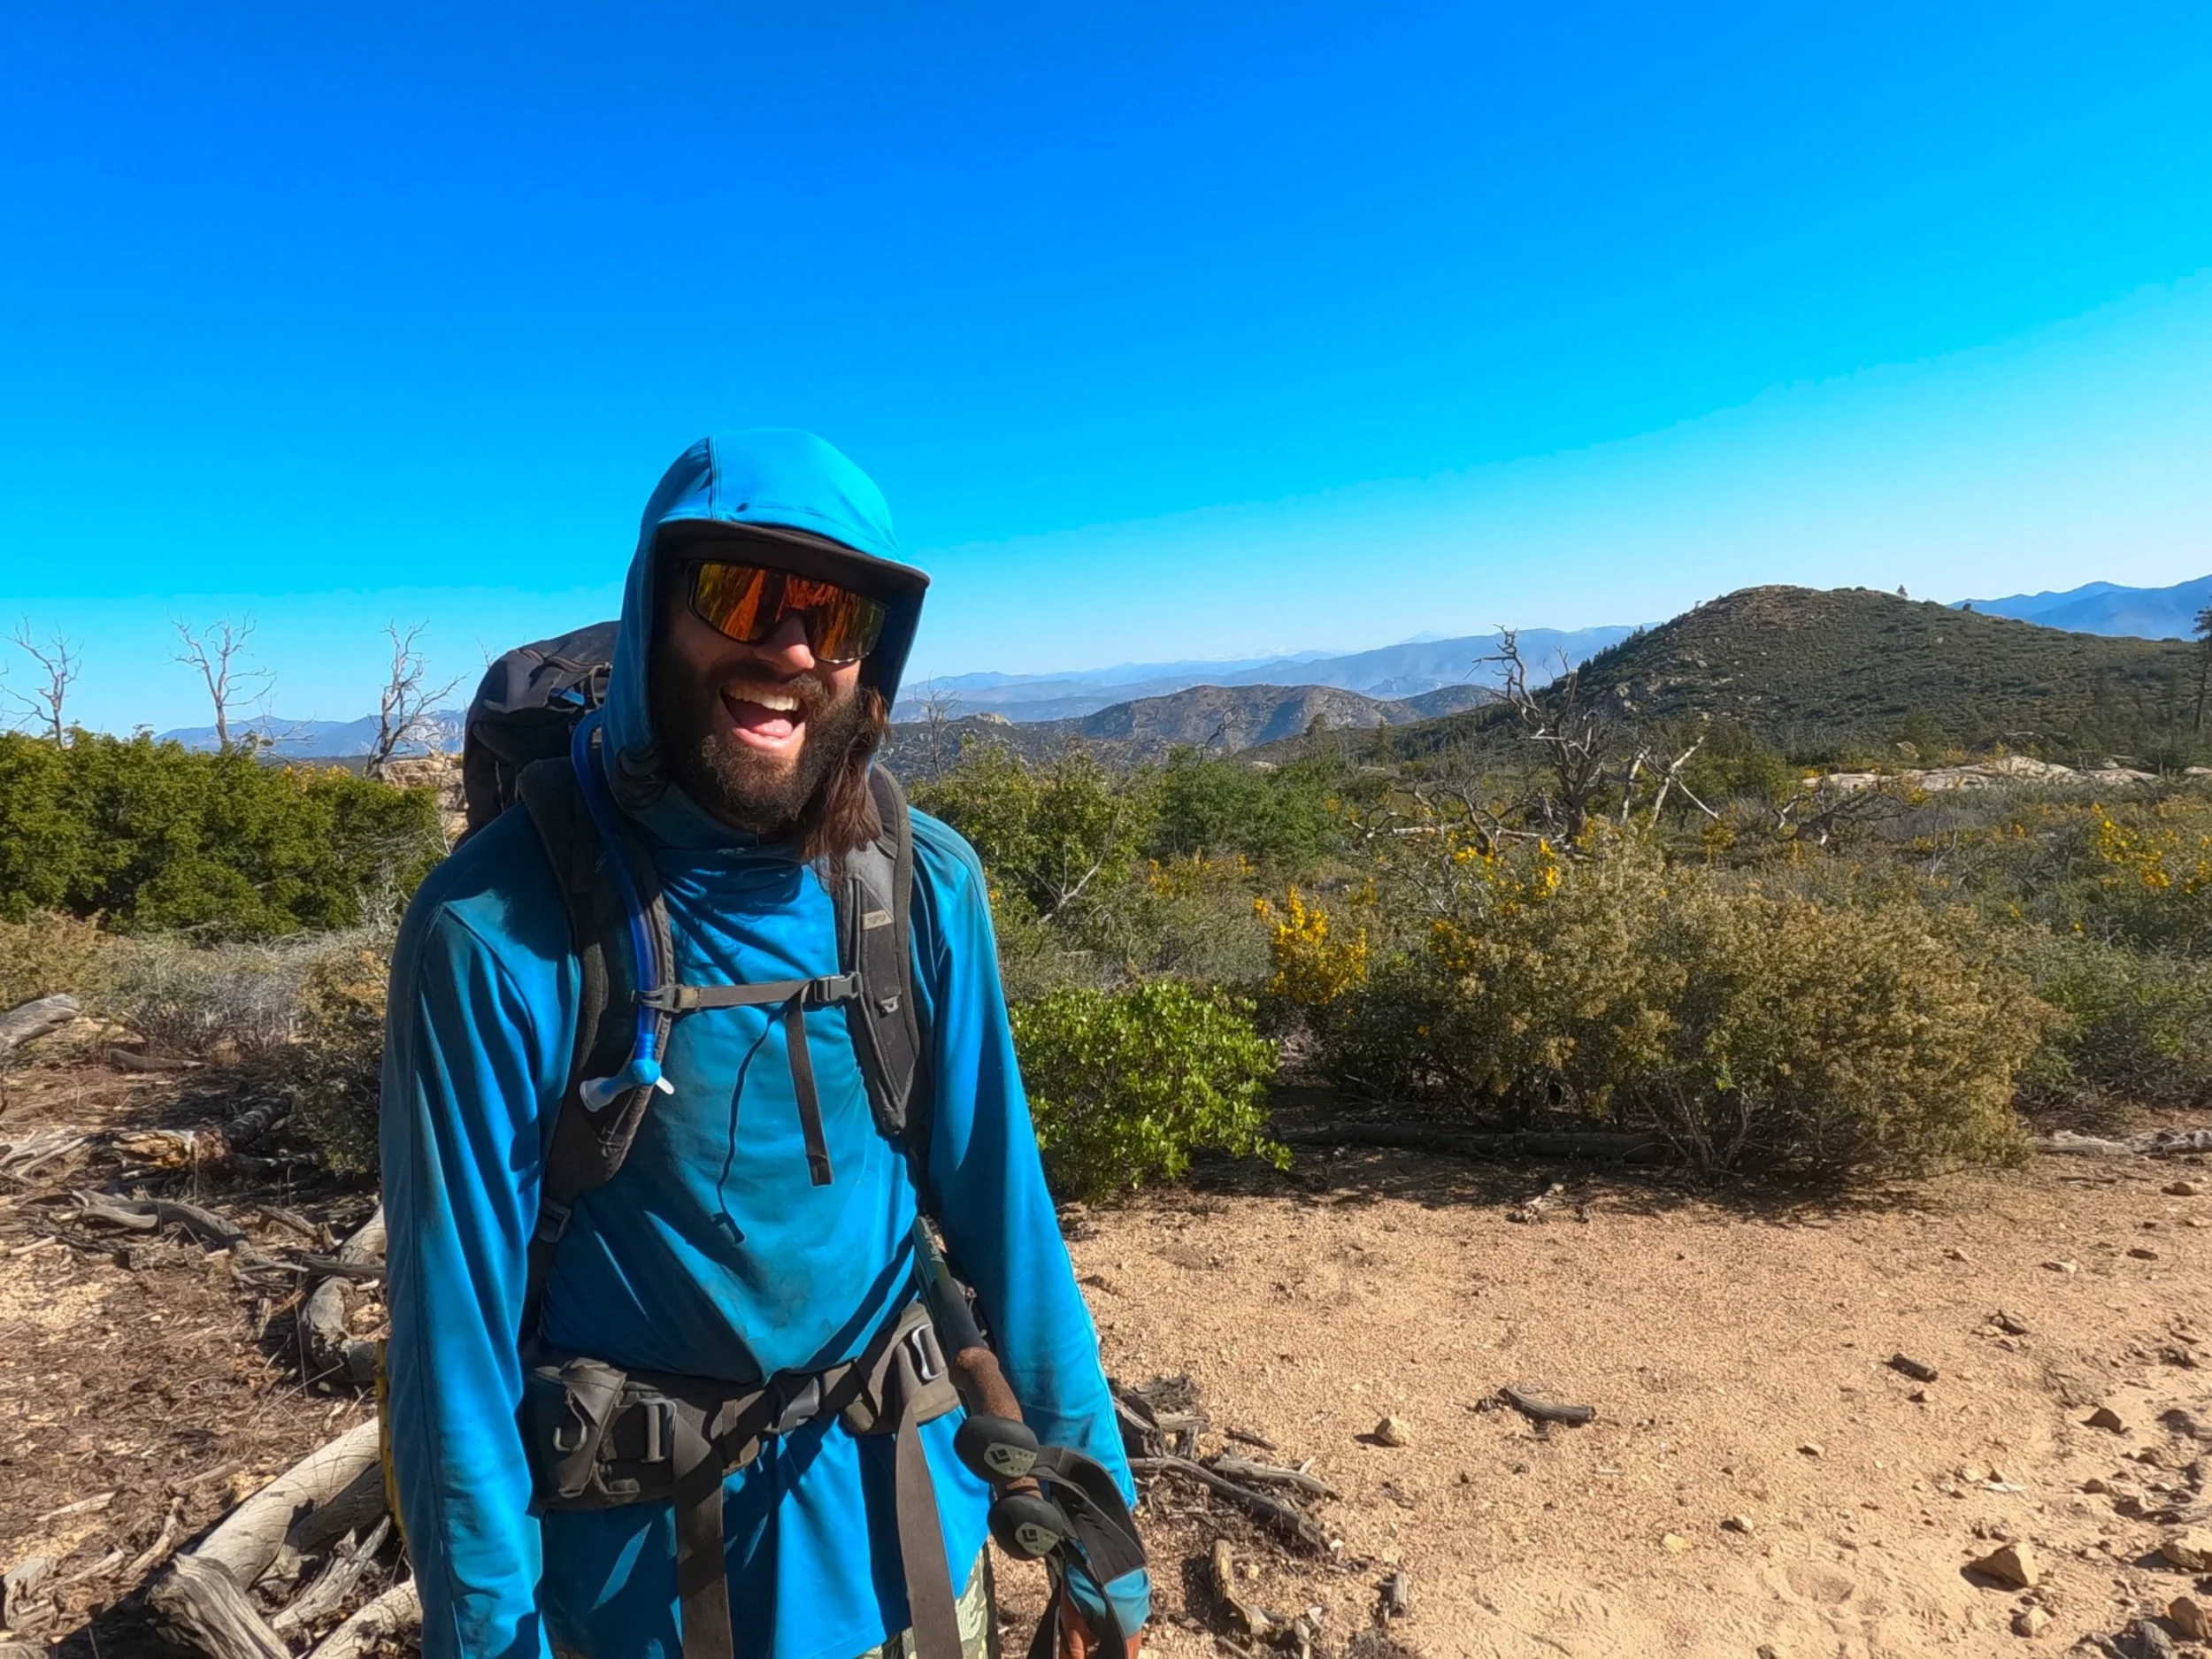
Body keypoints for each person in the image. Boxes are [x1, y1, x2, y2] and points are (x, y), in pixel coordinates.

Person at [380, 429, 1147, 1659]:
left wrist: (1102, 1541)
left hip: (911, 1548)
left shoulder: (919, 886)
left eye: (834, 614)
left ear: (872, 654)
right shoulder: (495, 930)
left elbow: (1012, 1223)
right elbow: (449, 1353)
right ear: (652, 612)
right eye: (739, 591)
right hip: (638, 1598)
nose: (790, 647)